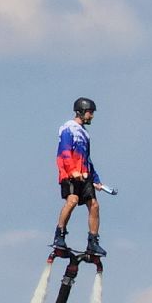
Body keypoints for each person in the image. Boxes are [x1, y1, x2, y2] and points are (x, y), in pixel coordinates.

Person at [54, 96, 105, 258]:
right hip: (70, 174)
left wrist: (95, 179)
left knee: (94, 205)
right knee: (73, 200)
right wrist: (72, 170)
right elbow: (64, 151)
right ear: (81, 111)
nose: (92, 116)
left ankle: (93, 241)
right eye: (90, 112)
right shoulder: (68, 128)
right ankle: (59, 235)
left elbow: (87, 158)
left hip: (85, 174)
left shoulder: (85, 133)